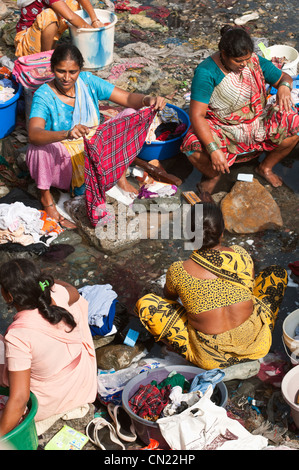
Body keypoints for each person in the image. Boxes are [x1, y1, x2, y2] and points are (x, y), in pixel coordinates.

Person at [135, 202, 288, 370]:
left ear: (188, 234)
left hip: (211, 360)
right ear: (222, 232)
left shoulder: (178, 271)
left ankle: (179, 347)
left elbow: (169, 299)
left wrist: (198, 302)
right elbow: (249, 288)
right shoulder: (240, 254)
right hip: (257, 346)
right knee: (277, 273)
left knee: (146, 304)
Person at [26, 43, 166, 225]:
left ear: (80, 70)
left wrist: (148, 100)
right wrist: (67, 134)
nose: (67, 78)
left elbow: (127, 98)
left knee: (130, 114)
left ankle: (119, 175)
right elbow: (34, 133)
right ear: (52, 69)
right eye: (61, 71)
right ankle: (46, 199)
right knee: (38, 148)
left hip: (96, 152)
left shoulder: (88, 82)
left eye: (73, 72)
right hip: (64, 161)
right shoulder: (44, 96)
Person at [181, 25, 299, 193]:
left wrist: (285, 86)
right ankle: (214, 175)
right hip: (223, 127)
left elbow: (284, 77)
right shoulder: (206, 72)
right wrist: (213, 149)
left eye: (247, 59)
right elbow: (197, 115)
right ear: (223, 53)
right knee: (191, 146)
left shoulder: (254, 61)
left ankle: (264, 167)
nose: (244, 64)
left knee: (295, 123)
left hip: (257, 121)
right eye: (238, 61)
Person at [0, 258, 97, 437]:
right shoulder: (57, 295)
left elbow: (20, 399)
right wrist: (49, 283)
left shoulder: (18, 335)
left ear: (9, 296)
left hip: (53, 401)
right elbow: (74, 292)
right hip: (83, 382)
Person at [15, 0, 104, 57]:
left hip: (39, 34)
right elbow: (70, 17)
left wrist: (95, 20)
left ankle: (51, 47)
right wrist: (93, 32)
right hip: (26, 44)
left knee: (73, 3)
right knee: (49, 15)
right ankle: (45, 58)